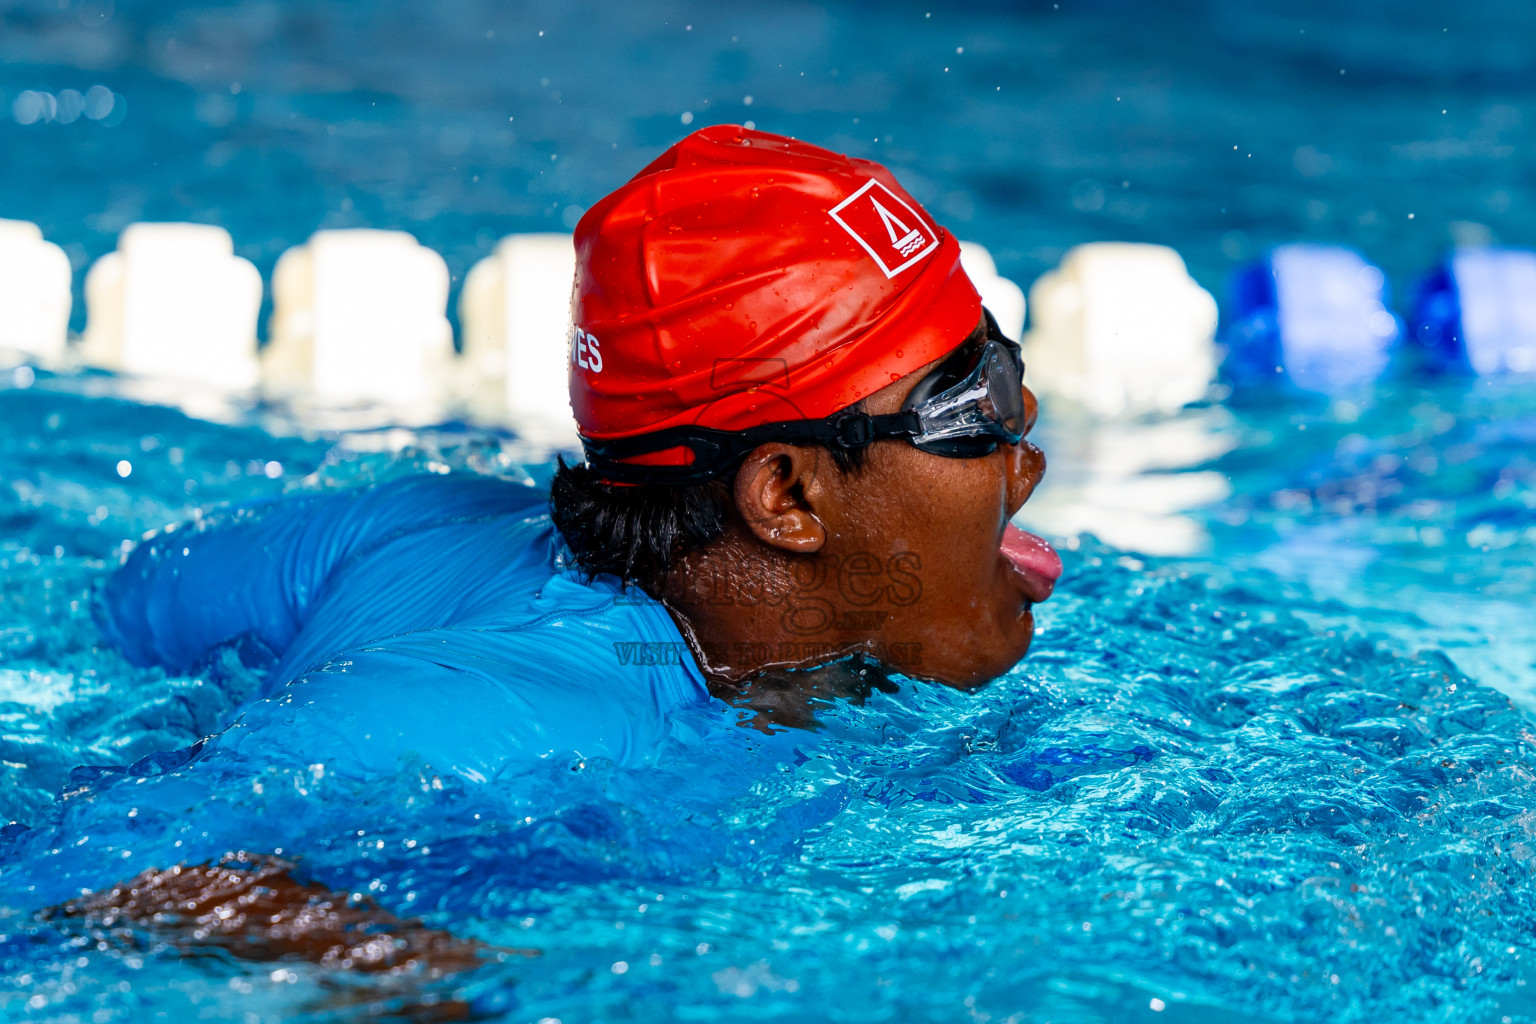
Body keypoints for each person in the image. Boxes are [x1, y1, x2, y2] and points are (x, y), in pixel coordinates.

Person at [18, 124, 1060, 967]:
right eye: (976, 405)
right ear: (786, 494)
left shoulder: (419, 515)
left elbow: (131, 595)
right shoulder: (515, 718)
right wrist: (402, 971)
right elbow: (75, 870)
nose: (1029, 456)